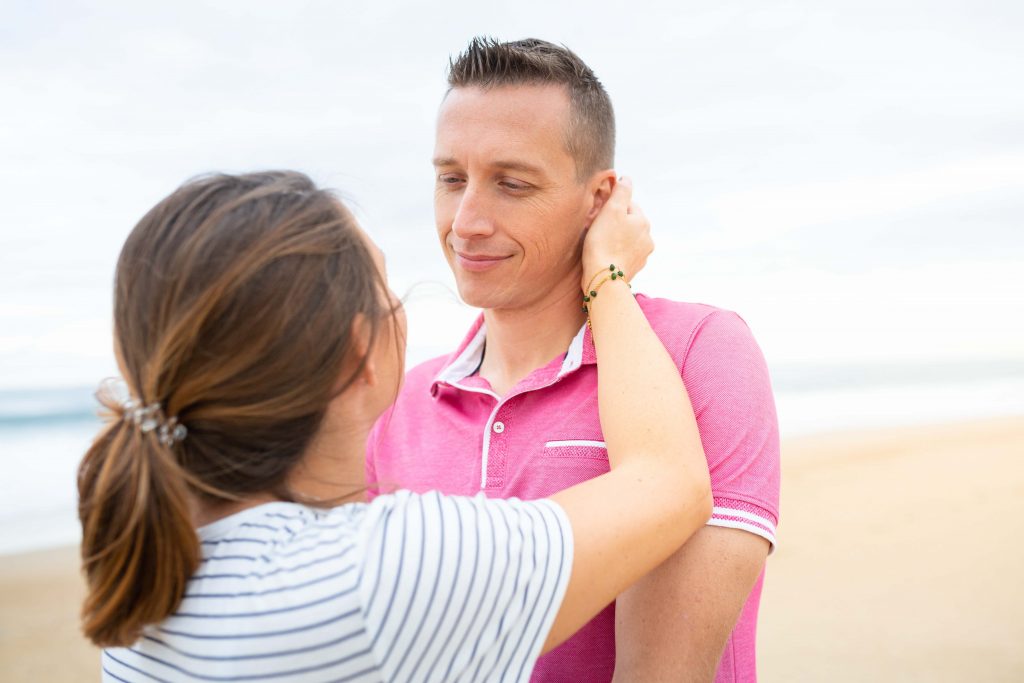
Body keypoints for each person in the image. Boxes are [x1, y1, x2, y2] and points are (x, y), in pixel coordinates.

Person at [77, 170, 712, 682]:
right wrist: (609, 276)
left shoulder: (142, 585)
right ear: (360, 356)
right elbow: (669, 482)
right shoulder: (381, 571)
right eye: (389, 292)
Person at [366, 38, 781, 682]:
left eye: (512, 184)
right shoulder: (396, 405)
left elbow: (665, 673)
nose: (466, 221)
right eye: (451, 178)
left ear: (600, 198)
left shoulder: (701, 349)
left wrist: (605, 279)